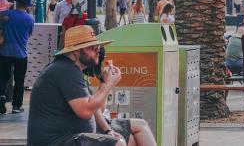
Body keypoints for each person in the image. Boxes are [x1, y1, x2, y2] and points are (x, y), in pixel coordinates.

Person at [27, 25, 157, 146]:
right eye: (92, 47)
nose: (97, 50)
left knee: (140, 127)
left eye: (97, 46)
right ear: (77, 51)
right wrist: (107, 85)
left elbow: (97, 108)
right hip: (57, 140)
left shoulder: (71, 69)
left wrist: (107, 130)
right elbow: (86, 111)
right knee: (119, 144)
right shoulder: (65, 70)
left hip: (74, 135)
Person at [0, 0, 35, 115]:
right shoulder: (30, 19)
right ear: (28, 6)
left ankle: (1, 99)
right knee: (19, 80)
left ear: (18, 3)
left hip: (5, 52)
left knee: (3, 77)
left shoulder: (7, 15)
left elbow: (2, 30)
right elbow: (29, 34)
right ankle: (16, 106)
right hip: (21, 54)